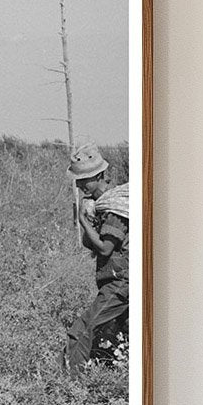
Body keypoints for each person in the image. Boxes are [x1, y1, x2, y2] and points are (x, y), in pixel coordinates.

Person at [64, 144, 129, 373]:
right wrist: (87, 219)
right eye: (79, 181)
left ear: (100, 176)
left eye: (85, 180)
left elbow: (104, 249)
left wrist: (82, 220)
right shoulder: (102, 207)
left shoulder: (116, 207)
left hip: (121, 283)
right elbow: (88, 243)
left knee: (81, 330)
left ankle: (72, 388)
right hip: (114, 281)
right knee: (117, 335)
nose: (81, 186)